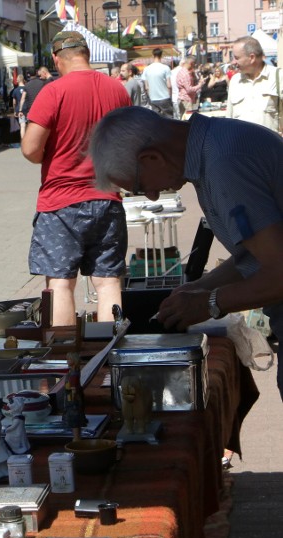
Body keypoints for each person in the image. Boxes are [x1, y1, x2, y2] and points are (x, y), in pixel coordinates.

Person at [89, 105, 283, 399]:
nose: (152, 195)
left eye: (141, 187)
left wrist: (211, 302)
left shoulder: (224, 163)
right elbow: (256, 255)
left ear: (151, 157)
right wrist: (201, 286)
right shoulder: (216, 145)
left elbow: (279, 272)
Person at [20, 30, 131, 326]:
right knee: (108, 283)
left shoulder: (53, 91)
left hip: (61, 204)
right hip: (107, 198)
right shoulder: (118, 90)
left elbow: (30, 150)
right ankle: (109, 357)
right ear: (88, 55)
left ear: (56, 59)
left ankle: (65, 362)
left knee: (60, 284)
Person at [227, 36, 280, 132]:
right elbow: (229, 119)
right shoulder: (235, 81)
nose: (233, 62)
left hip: (270, 145)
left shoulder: (278, 77)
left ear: (251, 58)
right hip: (241, 145)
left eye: (236, 58)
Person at [18, 67, 51, 138]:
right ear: (36, 73)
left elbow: (23, 98)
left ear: (29, 75)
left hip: (31, 111)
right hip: (42, 109)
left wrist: (20, 110)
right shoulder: (42, 83)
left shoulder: (26, 85)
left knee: (32, 130)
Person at [142, 48, 173, 117]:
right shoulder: (166, 68)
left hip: (153, 98)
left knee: (156, 119)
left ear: (153, 55)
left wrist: (150, 97)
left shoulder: (147, 69)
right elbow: (169, 85)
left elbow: (146, 87)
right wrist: (170, 97)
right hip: (165, 97)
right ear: (161, 56)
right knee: (169, 118)